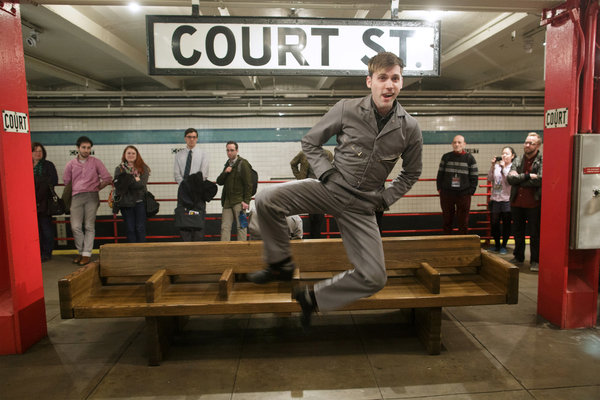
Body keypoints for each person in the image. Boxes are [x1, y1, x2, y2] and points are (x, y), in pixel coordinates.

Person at [247, 52, 423, 328]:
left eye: (395, 78)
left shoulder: (409, 127)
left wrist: (385, 199)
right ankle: (280, 263)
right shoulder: (346, 109)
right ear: (369, 81)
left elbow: (412, 172)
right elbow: (310, 142)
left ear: (401, 82)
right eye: (382, 78)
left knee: (375, 277)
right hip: (331, 189)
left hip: (363, 206)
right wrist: (327, 173)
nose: (389, 85)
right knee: (266, 199)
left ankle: (313, 299)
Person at [63, 136, 112, 266]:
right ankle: (81, 251)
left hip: (92, 196)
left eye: (88, 148)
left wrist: (97, 187)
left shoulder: (96, 162)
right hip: (76, 196)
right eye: (83, 147)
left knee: (89, 226)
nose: (86, 150)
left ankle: (86, 254)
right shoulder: (71, 164)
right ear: (78, 148)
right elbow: (66, 181)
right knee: (75, 226)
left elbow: (107, 178)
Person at [507, 132, 542, 272]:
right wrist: (528, 176)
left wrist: (519, 180)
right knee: (517, 232)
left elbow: (541, 179)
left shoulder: (542, 159)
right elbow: (510, 179)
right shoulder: (518, 159)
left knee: (535, 233)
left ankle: (535, 260)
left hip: (534, 203)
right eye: (526, 142)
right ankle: (518, 256)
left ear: (538, 145)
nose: (527, 145)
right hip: (517, 202)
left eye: (531, 143)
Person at [436, 135, 478, 234]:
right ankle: (447, 241)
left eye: (459, 142)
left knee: (463, 222)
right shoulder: (446, 157)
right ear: (452, 144)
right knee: (447, 220)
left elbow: (474, 176)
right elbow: (440, 174)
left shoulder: (470, 158)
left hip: (463, 194)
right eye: (455, 142)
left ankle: (462, 242)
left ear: (464, 144)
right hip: (447, 194)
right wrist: (440, 189)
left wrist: (470, 191)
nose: (457, 144)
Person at [174, 128, 209, 241]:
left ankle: (198, 246)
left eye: (194, 137)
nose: (192, 139)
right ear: (185, 138)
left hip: (198, 193)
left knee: (198, 218)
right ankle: (185, 245)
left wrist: (193, 188)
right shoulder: (179, 155)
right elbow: (177, 174)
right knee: (184, 218)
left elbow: (203, 174)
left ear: (197, 139)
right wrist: (185, 187)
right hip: (183, 193)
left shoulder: (203, 154)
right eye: (189, 137)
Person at [290, 149, 333, 238]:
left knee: (319, 216)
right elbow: (293, 163)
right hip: (308, 188)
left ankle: (316, 238)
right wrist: (299, 177)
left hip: (322, 188)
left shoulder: (327, 154)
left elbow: (333, 168)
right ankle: (315, 238)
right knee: (312, 216)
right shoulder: (303, 153)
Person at [217, 141, 253, 241]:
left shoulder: (243, 164)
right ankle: (224, 249)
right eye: (227, 150)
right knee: (225, 227)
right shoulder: (227, 164)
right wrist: (225, 172)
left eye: (232, 150)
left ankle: (242, 249)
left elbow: (249, 184)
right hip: (227, 202)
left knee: (242, 226)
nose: (229, 153)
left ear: (237, 151)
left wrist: (246, 201)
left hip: (239, 201)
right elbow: (219, 181)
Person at [114, 146, 150, 243]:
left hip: (140, 202)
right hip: (125, 203)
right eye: (128, 153)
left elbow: (141, 184)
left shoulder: (143, 168)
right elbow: (119, 186)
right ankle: (133, 251)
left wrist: (127, 180)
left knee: (140, 227)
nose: (131, 155)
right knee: (130, 228)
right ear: (124, 155)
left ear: (137, 155)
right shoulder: (119, 169)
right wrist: (135, 179)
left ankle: (142, 250)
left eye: (133, 153)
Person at [32, 142, 58, 262]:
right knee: (34, 230)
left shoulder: (48, 165)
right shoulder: (25, 165)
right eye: (35, 151)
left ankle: (46, 253)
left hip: (45, 203)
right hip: (30, 203)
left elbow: (54, 180)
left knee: (46, 229)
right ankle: (36, 252)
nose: (38, 153)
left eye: (40, 151)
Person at [487, 146, 516, 254]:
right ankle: (497, 245)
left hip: (507, 199)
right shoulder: (497, 166)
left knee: (506, 224)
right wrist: (492, 166)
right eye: (503, 153)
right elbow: (489, 178)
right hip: (495, 198)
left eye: (507, 154)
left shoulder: (513, 168)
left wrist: (504, 168)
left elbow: (510, 181)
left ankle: (504, 245)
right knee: (494, 223)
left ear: (512, 156)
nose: (504, 155)